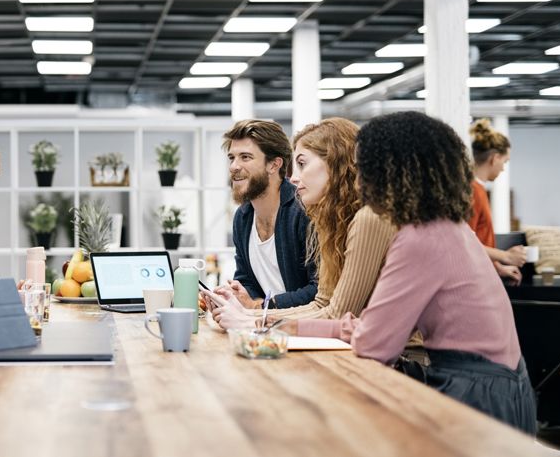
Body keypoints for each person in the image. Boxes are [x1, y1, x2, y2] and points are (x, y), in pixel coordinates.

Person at [288, 111, 536, 434]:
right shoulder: (446, 226)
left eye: (365, 170)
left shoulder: (418, 239)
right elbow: (377, 331)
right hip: (503, 387)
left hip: (479, 396)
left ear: (393, 174)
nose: (359, 183)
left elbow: (375, 343)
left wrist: (289, 329)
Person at [210, 118, 396, 329]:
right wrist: (248, 312)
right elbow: (323, 304)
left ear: (336, 162)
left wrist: (255, 319)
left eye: (302, 164)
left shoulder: (366, 218)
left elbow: (338, 313)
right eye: (231, 158)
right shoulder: (329, 218)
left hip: (397, 355)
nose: (294, 178)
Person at [216, 119, 317, 311]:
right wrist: (237, 296)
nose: (234, 167)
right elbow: (246, 279)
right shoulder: (242, 217)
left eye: (245, 157)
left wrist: (262, 306)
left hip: (301, 328)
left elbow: (319, 290)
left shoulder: (303, 212)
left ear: (274, 165)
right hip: (264, 327)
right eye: (232, 158)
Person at [469, 119, 526, 284]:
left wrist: (498, 267)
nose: (503, 168)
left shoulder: (478, 190)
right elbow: (465, 243)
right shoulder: (472, 192)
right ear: (494, 158)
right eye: (504, 161)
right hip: (474, 280)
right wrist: (506, 256)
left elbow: (478, 239)